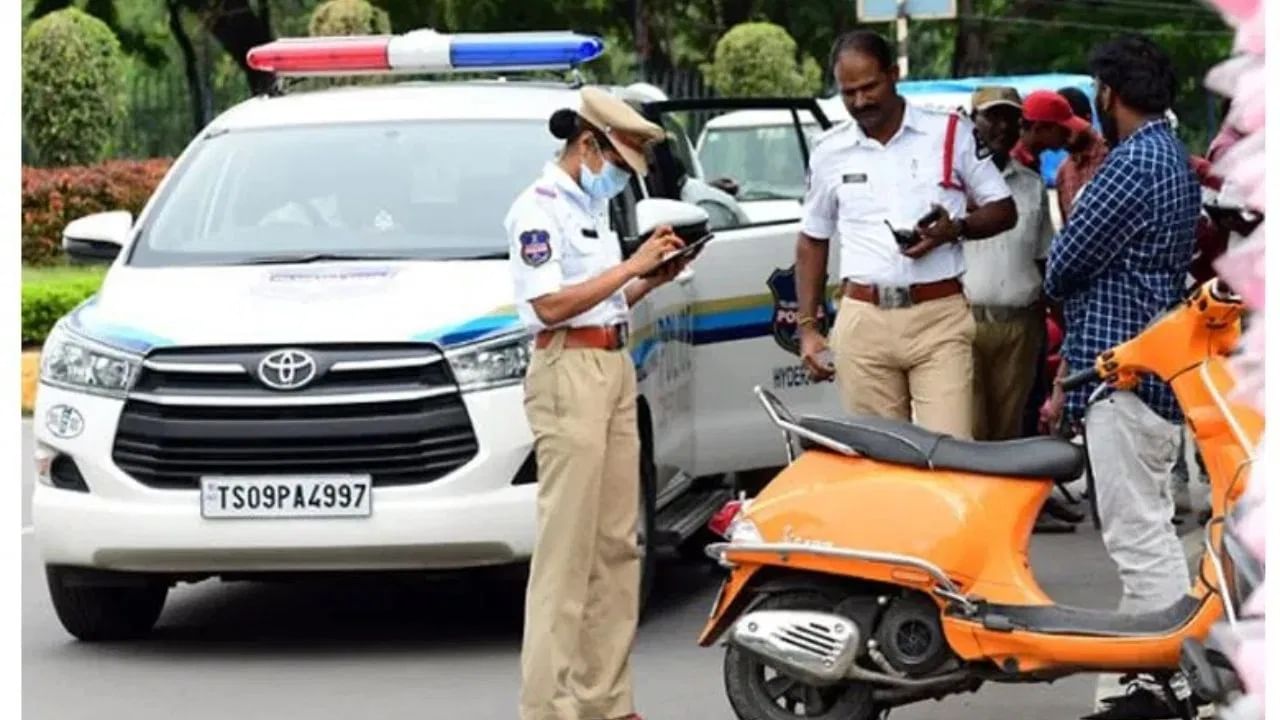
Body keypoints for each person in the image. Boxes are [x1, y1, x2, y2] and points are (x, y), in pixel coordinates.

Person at [506, 86, 687, 720]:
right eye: (621, 165)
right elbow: (550, 306)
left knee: (617, 547)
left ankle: (608, 703)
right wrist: (629, 265)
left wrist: (648, 278)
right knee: (566, 550)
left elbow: (604, 303)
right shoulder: (539, 208)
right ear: (590, 145)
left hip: (612, 364)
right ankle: (549, 708)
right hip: (568, 371)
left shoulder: (587, 209)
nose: (622, 181)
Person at [1041, 35, 1199, 720]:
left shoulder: (1131, 164)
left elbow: (1063, 263)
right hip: (1153, 367)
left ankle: (1170, 677)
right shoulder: (1171, 156)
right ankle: (1139, 679)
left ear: (1108, 94)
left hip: (1121, 369)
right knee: (1145, 527)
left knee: (1137, 535)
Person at [795, 30, 1016, 439]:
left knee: (949, 455)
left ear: (894, 74)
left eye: (869, 87)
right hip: (863, 320)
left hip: (939, 318)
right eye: (849, 93)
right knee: (880, 465)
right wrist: (808, 328)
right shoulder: (828, 150)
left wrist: (955, 230)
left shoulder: (949, 132)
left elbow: (1004, 209)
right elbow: (812, 239)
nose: (860, 102)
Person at [963, 86, 1055, 442]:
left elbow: (1044, 257)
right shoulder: (952, 182)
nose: (1002, 126)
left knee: (1012, 432)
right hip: (964, 323)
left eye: (1011, 118)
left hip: (1021, 325)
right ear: (973, 122)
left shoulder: (1031, 185)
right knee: (969, 431)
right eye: (992, 117)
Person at [1054, 86, 1110, 221]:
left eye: (1067, 124)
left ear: (1087, 119)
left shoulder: (1111, 158)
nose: (1061, 133)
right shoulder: (1063, 172)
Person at [1010, 90, 1083, 173]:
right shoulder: (1015, 164)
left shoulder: (1030, 158)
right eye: (1063, 130)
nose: (1070, 135)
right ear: (1039, 127)